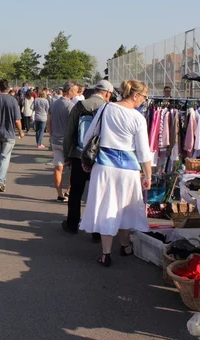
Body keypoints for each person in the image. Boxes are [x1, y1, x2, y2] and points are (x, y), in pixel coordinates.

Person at [79, 79, 152, 267]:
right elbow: (143, 151)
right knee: (125, 208)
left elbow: (89, 136)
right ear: (135, 95)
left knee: (106, 207)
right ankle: (125, 245)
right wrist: (148, 175)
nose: (144, 100)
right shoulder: (138, 118)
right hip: (128, 169)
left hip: (104, 166)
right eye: (144, 96)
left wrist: (85, 160)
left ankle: (106, 253)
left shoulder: (106, 108)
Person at [61, 80, 114, 238]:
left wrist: (67, 155)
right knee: (98, 194)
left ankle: (72, 224)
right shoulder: (108, 108)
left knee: (76, 192)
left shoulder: (80, 106)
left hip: (79, 155)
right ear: (107, 93)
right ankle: (97, 232)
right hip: (100, 157)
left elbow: (69, 132)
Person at [0, 79, 24, 192]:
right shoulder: (13, 100)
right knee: (5, 157)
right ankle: (0, 180)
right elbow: (17, 120)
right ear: (9, 87)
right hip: (9, 133)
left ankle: (1, 180)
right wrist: (20, 132)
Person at [47, 80, 78, 202]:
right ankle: (68, 192)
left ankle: (59, 193)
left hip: (55, 140)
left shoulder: (54, 104)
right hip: (68, 142)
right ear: (69, 91)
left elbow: (48, 121)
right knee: (72, 169)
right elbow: (74, 125)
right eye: (75, 91)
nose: (76, 93)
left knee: (58, 168)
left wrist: (51, 134)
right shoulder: (71, 106)